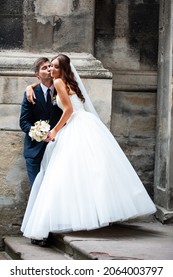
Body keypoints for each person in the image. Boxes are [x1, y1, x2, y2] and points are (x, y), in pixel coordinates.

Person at [21, 54, 156, 246]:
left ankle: (65, 220)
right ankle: (90, 214)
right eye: (49, 67)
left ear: (62, 69)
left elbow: (68, 110)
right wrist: (30, 86)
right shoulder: (70, 81)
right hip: (86, 124)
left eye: (54, 66)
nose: (51, 69)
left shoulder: (59, 82)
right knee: (89, 172)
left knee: (65, 174)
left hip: (74, 125)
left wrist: (54, 131)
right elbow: (48, 88)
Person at [19, 57, 63, 187]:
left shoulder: (62, 91)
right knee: (37, 189)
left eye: (50, 66)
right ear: (37, 74)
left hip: (58, 150)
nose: (49, 69)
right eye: (44, 68)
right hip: (34, 152)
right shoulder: (30, 94)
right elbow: (24, 122)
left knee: (54, 191)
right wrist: (38, 133)